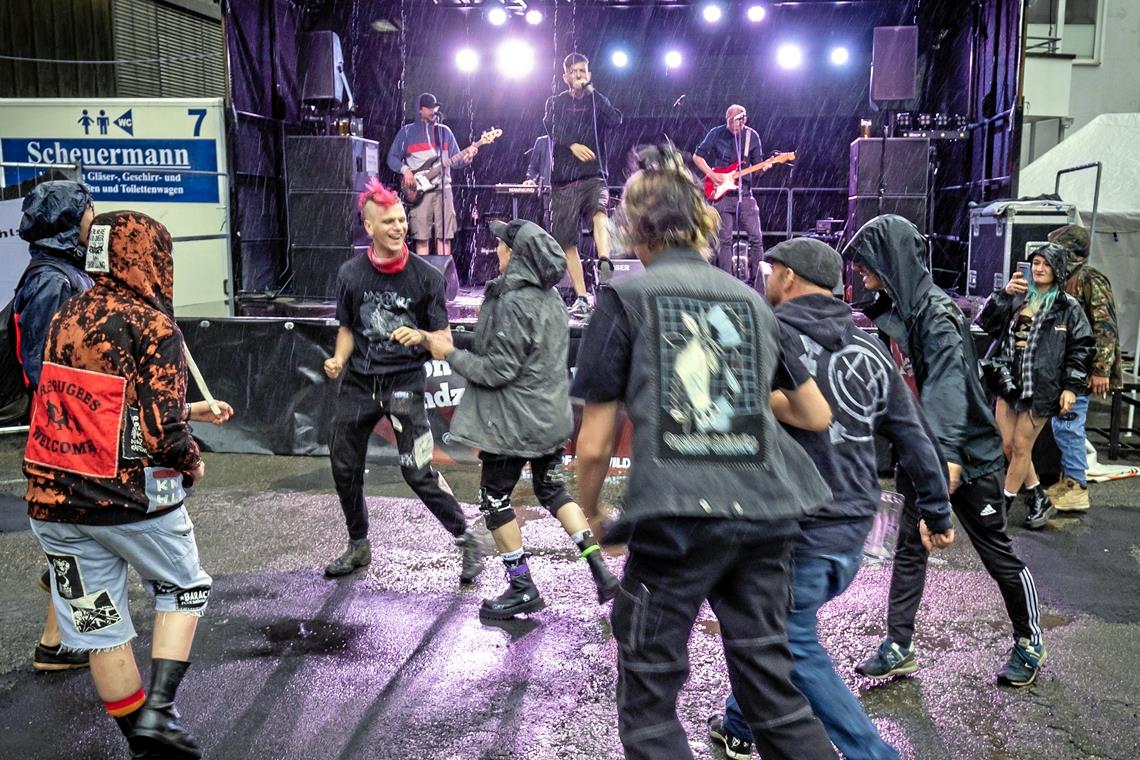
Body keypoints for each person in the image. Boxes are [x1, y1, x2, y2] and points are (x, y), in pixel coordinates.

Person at [572, 144, 837, 760]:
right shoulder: (748, 299)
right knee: (774, 694)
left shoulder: (625, 296)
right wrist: (738, 395)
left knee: (649, 695)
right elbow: (814, 414)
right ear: (700, 222)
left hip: (677, 516)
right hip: (766, 510)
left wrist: (589, 515)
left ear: (634, 227)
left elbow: (592, 444)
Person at [708, 237, 954, 760]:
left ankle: (873, 754)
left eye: (770, 270)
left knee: (791, 643)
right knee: (771, 626)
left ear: (789, 277)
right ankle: (741, 723)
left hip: (799, 527)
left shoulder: (767, 337)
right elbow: (915, 435)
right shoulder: (870, 350)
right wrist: (936, 509)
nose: (766, 279)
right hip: (849, 530)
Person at [24, 210, 234, 759]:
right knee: (183, 587)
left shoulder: (68, 313)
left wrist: (190, 411)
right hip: (125, 500)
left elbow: (99, 408)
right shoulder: (153, 326)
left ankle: (143, 744)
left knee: (102, 630)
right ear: (150, 258)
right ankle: (160, 714)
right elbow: (162, 430)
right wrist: (191, 461)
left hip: (53, 503)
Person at [846, 214, 1050, 687]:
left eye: (865, 262)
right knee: (910, 549)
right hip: (927, 452)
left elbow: (949, 388)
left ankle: (1029, 641)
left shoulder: (936, 315)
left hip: (965, 455)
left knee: (997, 553)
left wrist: (948, 462)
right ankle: (899, 645)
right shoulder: (908, 308)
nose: (859, 271)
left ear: (890, 259)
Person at [422, 219, 619, 618]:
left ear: (516, 255)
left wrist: (449, 354)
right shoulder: (551, 299)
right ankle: (600, 570)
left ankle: (522, 586)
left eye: (501, 246)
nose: (496, 250)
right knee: (552, 490)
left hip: (513, 425)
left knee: (494, 501)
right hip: (548, 418)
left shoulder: (513, 303)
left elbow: (497, 370)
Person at [322, 178, 492, 582]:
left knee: (417, 471)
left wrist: (420, 336)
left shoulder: (427, 278)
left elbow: (445, 342)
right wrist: (337, 359)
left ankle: (468, 540)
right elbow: (347, 329)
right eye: (389, 222)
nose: (399, 228)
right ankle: (358, 544)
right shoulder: (350, 275)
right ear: (369, 227)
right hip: (359, 385)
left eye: (402, 220)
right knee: (344, 466)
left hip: (404, 385)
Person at [13, 180, 97, 673]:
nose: (95, 220)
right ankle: (63, 641)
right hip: (65, 427)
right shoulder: (52, 280)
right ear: (68, 219)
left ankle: (58, 640)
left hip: (72, 423)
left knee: (78, 533)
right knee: (79, 532)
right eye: (89, 211)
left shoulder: (66, 272)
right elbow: (45, 363)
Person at [976, 243, 1094, 528]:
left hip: (1042, 387)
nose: (1039, 269)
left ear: (1058, 269)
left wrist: (1071, 387)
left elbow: (1082, 349)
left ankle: (1000, 508)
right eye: (1035, 263)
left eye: (1046, 264)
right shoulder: (1017, 297)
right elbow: (985, 323)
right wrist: (1003, 295)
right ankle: (1038, 497)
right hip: (1007, 382)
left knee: (1020, 447)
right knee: (1007, 446)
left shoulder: (1068, 307)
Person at [1043, 224, 1123, 511]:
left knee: (1067, 425)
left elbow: (1105, 327)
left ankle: (1077, 486)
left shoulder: (1089, 279)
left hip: (1083, 369)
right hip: (1069, 368)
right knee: (1063, 424)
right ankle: (1071, 480)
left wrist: (1101, 369)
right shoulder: (1066, 280)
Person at [544, 52, 623, 319]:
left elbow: (615, 119)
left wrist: (592, 92)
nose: (579, 76)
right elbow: (550, 126)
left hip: (594, 176)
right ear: (565, 76)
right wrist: (572, 145)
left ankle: (603, 261)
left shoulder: (596, 100)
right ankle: (581, 296)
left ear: (589, 75)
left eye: (583, 72)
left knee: (600, 212)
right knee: (567, 240)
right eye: (574, 72)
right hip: (564, 181)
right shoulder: (555, 102)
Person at [386, 92, 476, 257]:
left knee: (445, 236)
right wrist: (405, 170)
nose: (434, 110)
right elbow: (391, 158)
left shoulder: (444, 132)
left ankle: (443, 276)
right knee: (421, 237)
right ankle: (425, 278)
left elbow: (456, 162)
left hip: (444, 189)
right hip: (418, 190)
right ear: (420, 110)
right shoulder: (406, 133)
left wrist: (468, 157)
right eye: (430, 107)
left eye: (435, 107)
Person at [693, 105, 765, 283]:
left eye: (736, 123)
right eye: (729, 122)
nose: (733, 126)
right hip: (722, 196)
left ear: (744, 120)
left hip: (745, 194)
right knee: (724, 240)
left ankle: (758, 281)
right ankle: (726, 280)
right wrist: (711, 174)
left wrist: (764, 167)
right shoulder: (716, 133)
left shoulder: (751, 137)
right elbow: (697, 156)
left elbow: (758, 168)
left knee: (756, 238)